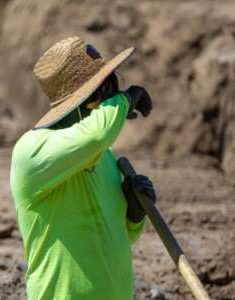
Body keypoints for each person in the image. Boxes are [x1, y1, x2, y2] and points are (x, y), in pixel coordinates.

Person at [10, 36, 156, 300]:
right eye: (107, 90)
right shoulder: (31, 151)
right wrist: (126, 99)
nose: (112, 96)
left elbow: (112, 238)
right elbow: (96, 135)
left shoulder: (104, 157)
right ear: (90, 98)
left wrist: (134, 215)